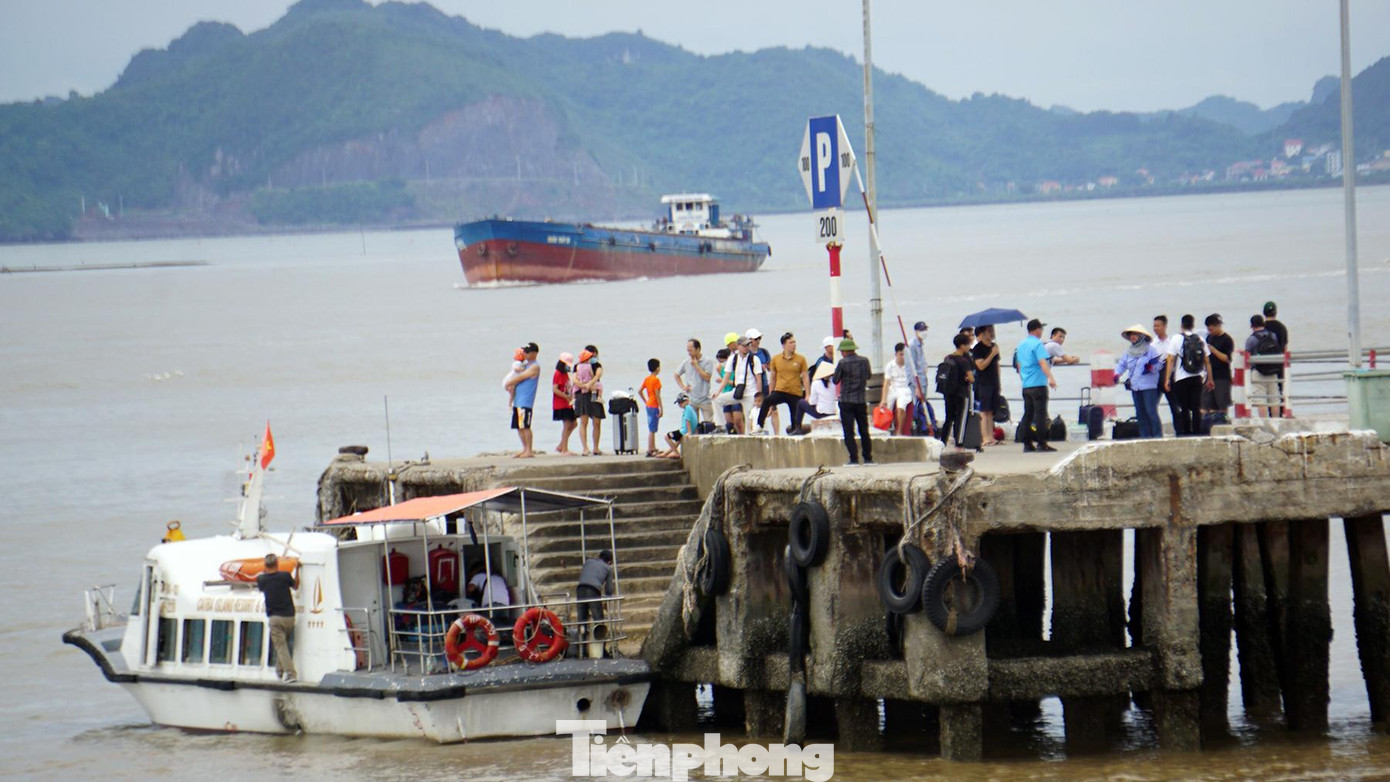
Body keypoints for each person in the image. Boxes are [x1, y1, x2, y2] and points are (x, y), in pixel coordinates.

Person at [1165, 314, 1214, 436]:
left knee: (1184, 407)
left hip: (1181, 378)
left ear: (1181, 325)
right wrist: (1210, 379)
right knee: (1196, 407)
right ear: (1193, 325)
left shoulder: (1176, 339)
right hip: (1197, 377)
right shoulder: (1200, 339)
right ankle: (1197, 432)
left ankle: (1187, 432)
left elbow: (1170, 359)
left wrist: (1167, 379)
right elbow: (1207, 361)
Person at [1014, 318, 1058, 452]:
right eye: (1041, 329)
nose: (1042, 332)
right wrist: (1051, 378)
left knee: (1028, 414)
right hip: (1038, 384)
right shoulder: (1038, 344)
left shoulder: (1021, 345)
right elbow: (1043, 363)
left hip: (1026, 385)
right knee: (1040, 414)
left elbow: (1019, 365)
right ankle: (1041, 443)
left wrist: (1024, 378)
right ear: (1037, 330)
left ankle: (1027, 443)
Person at [1115, 324, 1165, 438]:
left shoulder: (1151, 350)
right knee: (1140, 413)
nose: (1133, 337)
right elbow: (1122, 364)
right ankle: (1145, 435)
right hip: (1135, 386)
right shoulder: (1129, 352)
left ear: (1142, 336)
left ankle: (1157, 435)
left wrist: (1151, 367)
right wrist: (1117, 374)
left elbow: (1159, 365)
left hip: (1148, 386)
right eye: (1131, 335)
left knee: (1151, 412)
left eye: (1136, 335)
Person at [255, 553, 298, 681]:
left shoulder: (262, 579)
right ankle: (279, 671)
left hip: (275, 618)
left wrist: (265, 571)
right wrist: (298, 570)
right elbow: (296, 585)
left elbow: (261, 585)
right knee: (283, 644)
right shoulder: (285, 576)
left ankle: (291, 674)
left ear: (265, 565)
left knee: (280, 646)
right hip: (290, 616)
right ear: (278, 564)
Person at [759, 332, 810, 435]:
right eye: (790, 343)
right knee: (767, 400)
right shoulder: (776, 359)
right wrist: (771, 392)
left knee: (795, 420)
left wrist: (808, 394)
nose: (793, 345)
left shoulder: (801, 359)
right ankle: (759, 425)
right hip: (780, 390)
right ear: (784, 345)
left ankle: (796, 430)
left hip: (795, 392)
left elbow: (805, 377)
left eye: (794, 342)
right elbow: (772, 378)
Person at [833, 336, 873, 465]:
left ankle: (854, 458)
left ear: (845, 351)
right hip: (861, 400)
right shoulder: (864, 361)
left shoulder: (842, 363)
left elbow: (835, 380)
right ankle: (868, 458)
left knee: (849, 431)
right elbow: (869, 376)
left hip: (846, 401)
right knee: (864, 430)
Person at [713, 337, 762, 433]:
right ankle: (721, 427)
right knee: (717, 400)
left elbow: (758, 379)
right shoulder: (733, 359)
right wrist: (718, 392)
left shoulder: (754, 359)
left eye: (748, 345)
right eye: (744, 345)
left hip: (750, 392)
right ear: (738, 346)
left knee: (750, 420)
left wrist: (758, 395)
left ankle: (751, 435)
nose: (746, 347)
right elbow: (726, 377)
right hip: (737, 391)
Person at [939, 333, 975, 448]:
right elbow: (971, 378)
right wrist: (967, 378)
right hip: (961, 392)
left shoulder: (948, 358)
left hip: (948, 392)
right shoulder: (963, 361)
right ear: (962, 346)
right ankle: (959, 442)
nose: (969, 347)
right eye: (968, 345)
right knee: (961, 418)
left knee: (948, 418)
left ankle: (943, 441)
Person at [504, 342, 540, 458]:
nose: (525, 354)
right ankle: (524, 448)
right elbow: (516, 373)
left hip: (526, 401)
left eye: (527, 352)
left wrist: (508, 382)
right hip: (518, 400)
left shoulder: (535, 366)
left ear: (534, 353)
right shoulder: (525, 365)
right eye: (525, 352)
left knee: (525, 426)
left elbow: (521, 377)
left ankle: (529, 450)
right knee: (519, 426)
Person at [971, 325, 1003, 448]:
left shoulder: (994, 346)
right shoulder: (978, 349)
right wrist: (992, 354)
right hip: (983, 382)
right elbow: (981, 365)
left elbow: (996, 365)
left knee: (991, 411)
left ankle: (991, 436)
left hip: (994, 381)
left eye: (992, 330)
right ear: (983, 333)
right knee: (984, 411)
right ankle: (985, 438)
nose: (992, 333)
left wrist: (999, 382)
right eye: (989, 331)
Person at [1246, 315, 1283, 417]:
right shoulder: (1273, 336)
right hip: (1272, 370)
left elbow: (1247, 357)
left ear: (1252, 325)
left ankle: (1264, 422)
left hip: (1258, 372)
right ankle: (1276, 421)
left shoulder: (1251, 339)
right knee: (1274, 399)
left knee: (1261, 400)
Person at [573, 345, 605, 455]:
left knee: (597, 421)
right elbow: (574, 379)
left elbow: (598, 375)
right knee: (583, 421)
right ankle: (585, 448)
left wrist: (590, 384)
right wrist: (584, 385)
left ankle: (596, 448)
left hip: (594, 392)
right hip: (582, 394)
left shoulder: (597, 365)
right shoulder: (577, 365)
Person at [673, 338, 715, 423]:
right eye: (688, 351)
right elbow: (676, 375)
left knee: (710, 425)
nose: (689, 353)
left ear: (698, 349)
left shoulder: (707, 361)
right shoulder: (686, 362)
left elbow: (707, 377)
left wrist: (696, 366)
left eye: (691, 350)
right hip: (691, 399)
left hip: (705, 398)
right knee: (693, 426)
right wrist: (683, 387)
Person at [1153, 315, 1182, 434]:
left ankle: (1180, 431)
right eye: (1154, 326)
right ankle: (1156, 432)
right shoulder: (1153, 344)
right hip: (1156, 378)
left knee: (1175, 407)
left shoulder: (1172, 342)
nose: (1156, 328)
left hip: (1170, 377)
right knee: (1152, 407)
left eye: (1158, 326)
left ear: (1164, 326)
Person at [575, 550, 615, 636]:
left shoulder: (588, 562)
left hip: (580, 588)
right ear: (609, 561)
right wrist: (607, 600)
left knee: (582, 618)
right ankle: (600, 645)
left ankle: (582, 644)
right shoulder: (608, 568)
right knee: (598, 618)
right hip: (593, 590)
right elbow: (609, 588)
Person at [1202, 314, 1234, 420]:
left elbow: (1227, 358)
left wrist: (1214, 350)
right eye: (1208, 329)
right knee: (1207, 403)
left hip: (1222, 376)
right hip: (1210, 375)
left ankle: (1223, 421)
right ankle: (1208, 424)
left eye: (1211, 329)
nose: (1210, 331)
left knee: (1222, 403)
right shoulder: (1209, 338)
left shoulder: (1227, 339)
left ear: (1218, 326)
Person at [1261, 301, 1289, 416]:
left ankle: (1267, 414)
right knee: (1278, 389)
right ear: (1276, 312)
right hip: (1278, 362)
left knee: (1264, 391)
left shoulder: (1262, 327)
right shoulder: (1282, 327)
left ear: (1264, 313)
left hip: (1262, 364)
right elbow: (1285, 347)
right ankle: (1280, 413)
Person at [879, 342, 913, 434]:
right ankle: (887, 427)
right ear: (896, 354)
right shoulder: (890, 365)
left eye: (904, 355)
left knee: (901, 407)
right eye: (900, 354)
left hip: (904, 388)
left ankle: (899, 430)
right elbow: (886, 383)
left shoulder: (910, 365)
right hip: (893, 388)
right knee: (886, 408)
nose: (902, 357)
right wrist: (883, 399)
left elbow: (914, 380)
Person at [795, 361, 839, 431]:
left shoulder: (816, 383)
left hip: (821, 414)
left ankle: (797, 428)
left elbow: (812, 402)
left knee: (801, 402)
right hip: (835, 412)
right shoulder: (836, 383)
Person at [552, 352, 577, 455]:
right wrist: (566, 396)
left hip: (568, 403)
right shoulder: (558, 373)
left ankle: (561, 445)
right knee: (566, 425)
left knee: (574, 423)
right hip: (561, 403)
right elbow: (555, 389)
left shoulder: (565, 374)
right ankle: (564, 449)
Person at [660, 392, 699, 457]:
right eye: (679, 403)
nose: (680, 404)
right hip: (684, 430)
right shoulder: (689, 408)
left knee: (666, 436)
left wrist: (689, 432)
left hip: (684, 431)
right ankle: (666, 453)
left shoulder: (688, 408)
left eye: (681, 402)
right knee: (677, 441)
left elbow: (688, 421)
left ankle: (676, 453)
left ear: (687, 401)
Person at [639, 358, 663, 456]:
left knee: (651, 425)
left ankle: (653, 447)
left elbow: (640, 391)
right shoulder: (656, 380)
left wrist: (645, 401)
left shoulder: (647, 379)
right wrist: (661, 407)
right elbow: (657, 394)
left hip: (649, 404)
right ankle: (650, 449)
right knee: (652, 428)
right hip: (654, 405)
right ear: (657, 368)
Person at [905, 320, 931, 403]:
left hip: (923, 380)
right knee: (917, 406)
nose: (924, 332)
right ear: (916, 332)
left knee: (923, 406)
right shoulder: (912, 345)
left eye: (925, 330)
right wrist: (916, 386)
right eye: (921, 330)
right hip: (916, 383)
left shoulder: (920, 344)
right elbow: (911, 367)